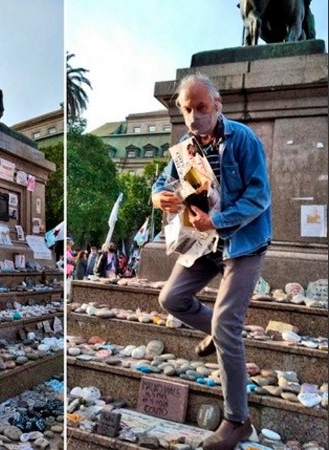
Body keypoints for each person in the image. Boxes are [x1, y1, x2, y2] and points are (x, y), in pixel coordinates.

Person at [152, 73, 271, 450]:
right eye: (186, 109)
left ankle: (238, 421)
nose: (193, 117)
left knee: (226, 323)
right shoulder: (184, 149)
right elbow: (160, 186)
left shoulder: (244, 140)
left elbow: (260, 197)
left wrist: (217, 220)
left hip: (244, 243)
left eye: (201, 108)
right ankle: (215, 333)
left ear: (217, 105)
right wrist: (162, 200)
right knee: (170, 299)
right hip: (203, 244)